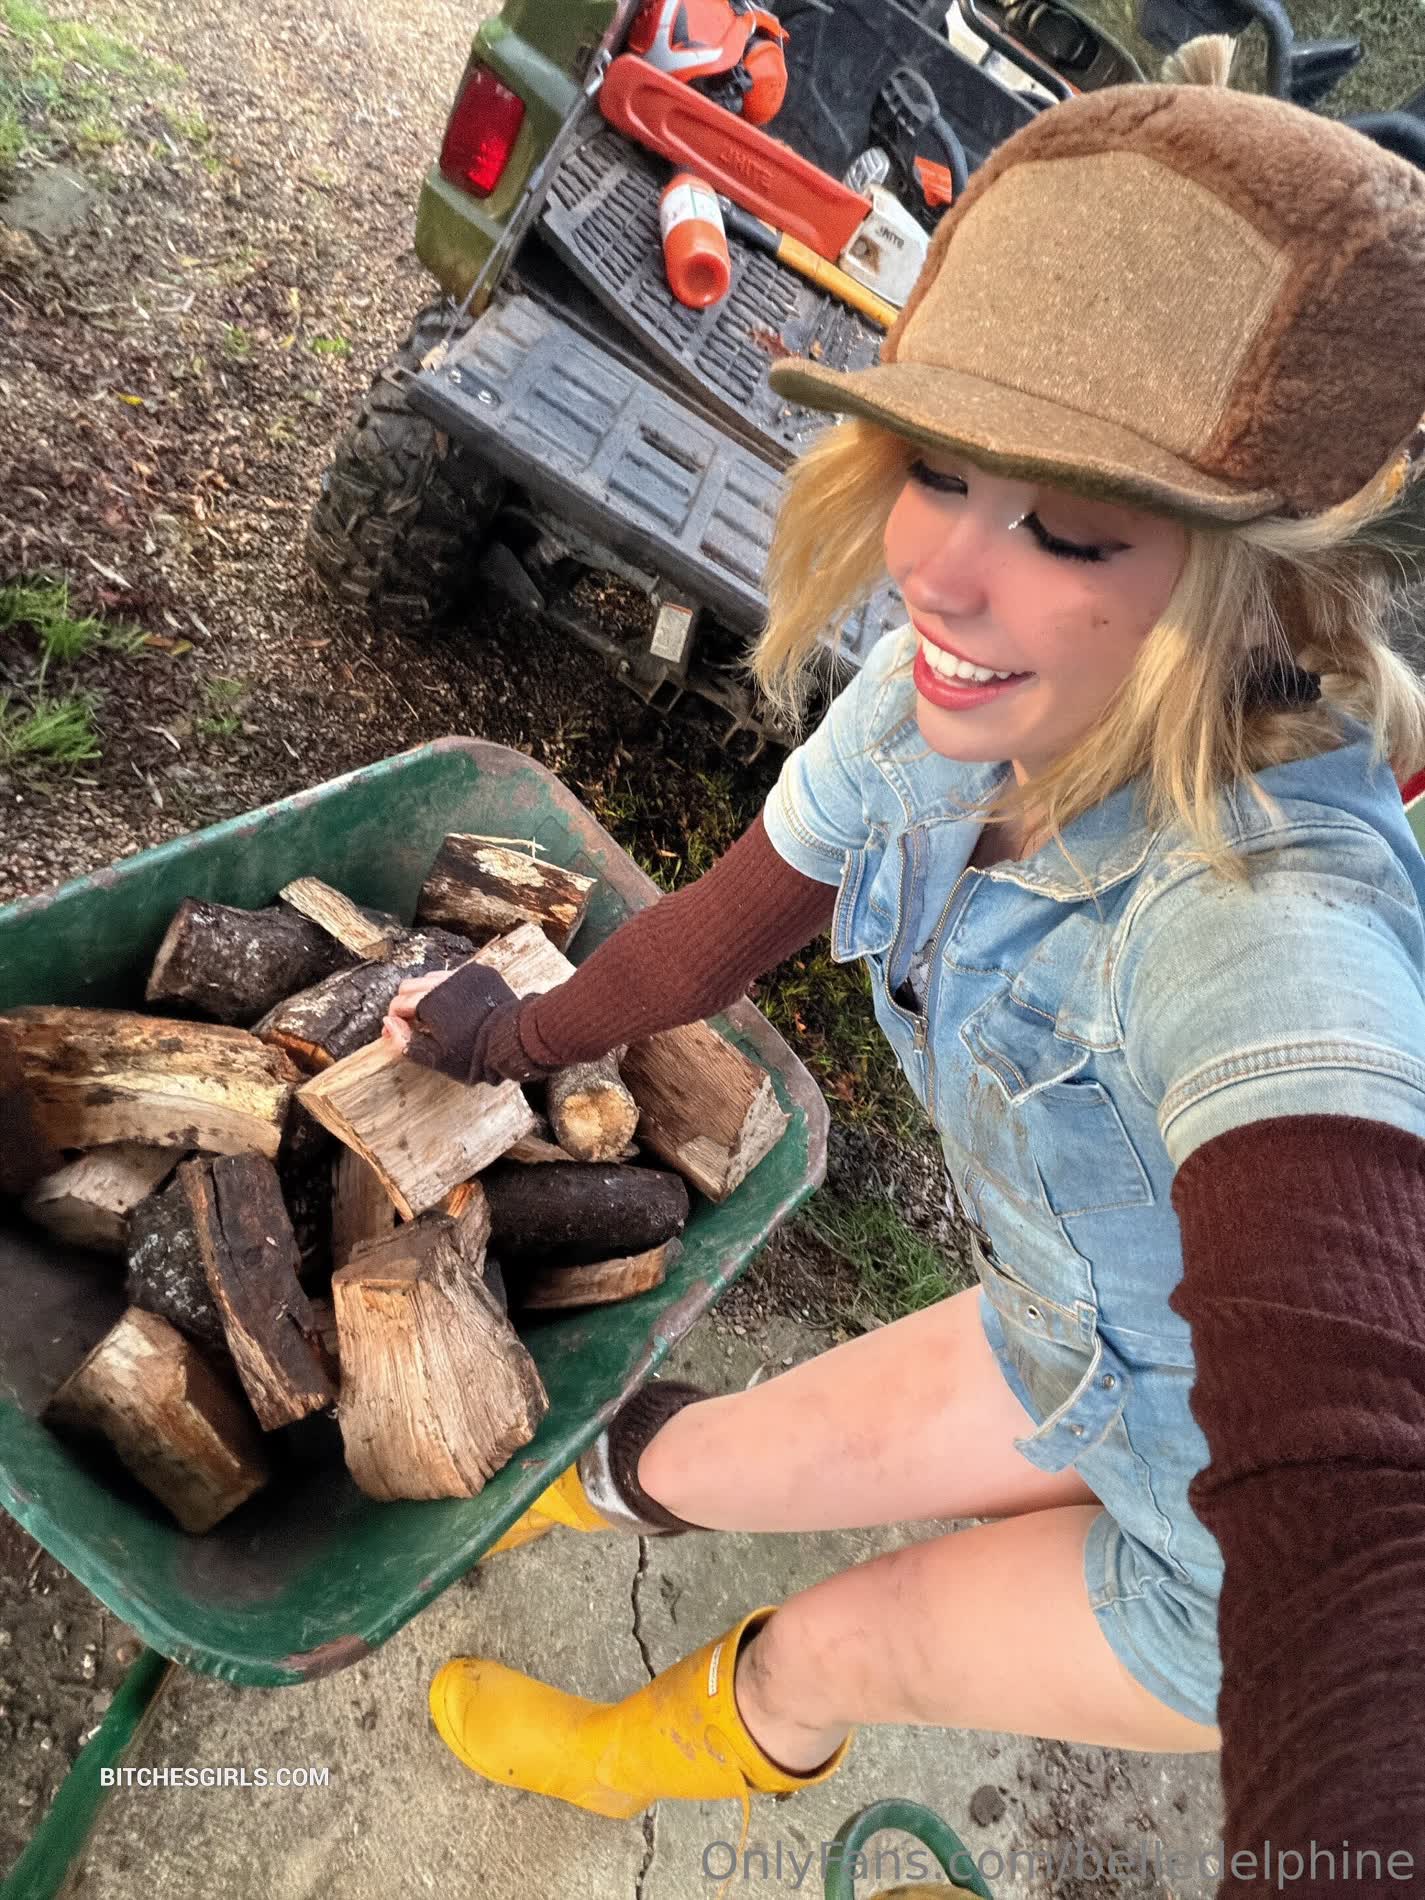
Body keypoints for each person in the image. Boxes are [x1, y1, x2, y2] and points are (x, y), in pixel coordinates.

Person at [382, 41, 1425, 1896]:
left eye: (1071, 528)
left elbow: (1356, 1518)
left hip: (1215, 1556)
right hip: (1066, 1329)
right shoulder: (949, 704)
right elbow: (738, 917)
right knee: (688, 1458)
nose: (936, 573)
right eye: (938, 469)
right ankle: (553, 1496)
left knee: (833, 1641)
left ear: (1247, 584)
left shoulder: (1268, 921)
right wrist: (512, 1030)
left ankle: (632, 1766)